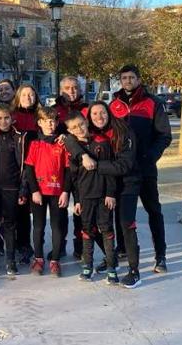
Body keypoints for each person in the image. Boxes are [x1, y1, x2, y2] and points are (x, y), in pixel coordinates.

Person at [70, 101, 142, 288]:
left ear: (109, 113)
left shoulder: (124, 132)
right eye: (94, 114)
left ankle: (134, 271)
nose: (98, 117)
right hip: (102, 187)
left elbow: (124, 165)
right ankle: (111, 260)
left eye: (102, 112)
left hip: (126, 183)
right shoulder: (92, 133)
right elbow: (70, 139)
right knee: (95, 224)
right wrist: (83, 156)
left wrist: (94, 164)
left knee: (126, 224)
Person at [109, 64, 171, 273]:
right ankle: (123, 249)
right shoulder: (114, 104)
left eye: (131, 77)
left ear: (138, 79)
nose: (127, 81)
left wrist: (150, 157)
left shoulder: (153, 102)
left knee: (154, 211)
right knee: (122, 212)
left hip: (145, 169)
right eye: (124, 77)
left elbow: (164, 135)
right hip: (122, 170)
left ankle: (160, 255)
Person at [63, 111, 118, 284]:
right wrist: (77, 200)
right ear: (69, 131)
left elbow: (110, 171)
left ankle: (111, 267)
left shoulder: (102, 142)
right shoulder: (73, 149)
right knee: (87, 231)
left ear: (86, 122)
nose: (79, 129)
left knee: (107, 231)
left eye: (81, 124)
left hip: (103, 197)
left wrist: (110, 193)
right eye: (74, 127)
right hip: (85, 198)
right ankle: (87, 265)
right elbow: (73, 177)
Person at [0, 103, 27, 276]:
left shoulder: (18, 137)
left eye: (6, 118)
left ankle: (10, 258)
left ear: (12, 118)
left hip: (12, 187)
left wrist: (23, 190)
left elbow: (24, 166)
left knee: (9, 224)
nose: (3, 121)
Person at [25, 107, 70, 277]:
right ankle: (38, 258)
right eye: (46, 121)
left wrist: (66, 191)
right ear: (40, 123)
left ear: (57, 123)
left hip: (58, 192)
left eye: (53, 121)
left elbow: (68, 171)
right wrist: (34, 191)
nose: (50, 124)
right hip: (39, 193)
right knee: (38, 226)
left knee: (57, 227)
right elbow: (29, 170)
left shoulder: (62, 144)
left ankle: (55, 260)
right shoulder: (35, 144)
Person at [52, 76, 88, 260]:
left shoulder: (86, 109)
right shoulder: (54, 111)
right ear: (61, 90)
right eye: (67, 88)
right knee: (61, 209)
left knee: (81, 208)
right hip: (60, 167)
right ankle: (60, 244)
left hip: (83, 165)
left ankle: (80, 246)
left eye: (74, 87)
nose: (71, 91)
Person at [9, 83, 40, 263]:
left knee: (34, 210)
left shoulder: (40, 117)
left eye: (31, 95)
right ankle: (20, 244)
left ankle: (33, 245)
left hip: (37, 168)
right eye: (24, 95)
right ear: (18, 97)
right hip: (17, 167)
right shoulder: (13, 117)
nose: (28, 98)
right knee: (19, 210)